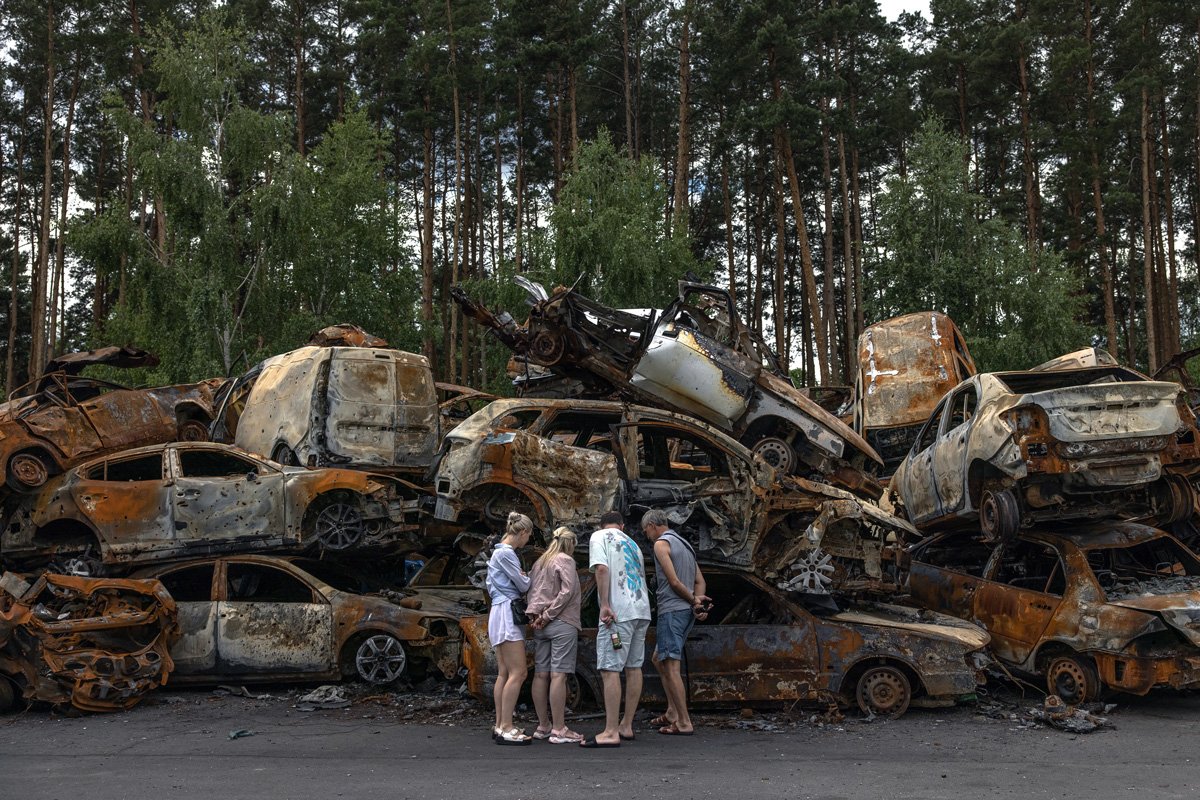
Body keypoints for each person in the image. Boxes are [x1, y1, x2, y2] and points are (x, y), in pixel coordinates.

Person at [581, 510, 651, 748]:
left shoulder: (599, 536)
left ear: (602, 525)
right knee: (633, 667)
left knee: (610, 669)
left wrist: (605, 605)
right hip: (641, 612)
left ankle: (610, 731)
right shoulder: (633, 544)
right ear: (621, 525)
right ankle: (626, 725)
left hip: (618, 613)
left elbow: (601, 569)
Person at [643, 509, 710, 736]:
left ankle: (683, 721)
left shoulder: (661, 544)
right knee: (657, 659)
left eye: (646, 531)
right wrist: (697, 604)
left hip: (672, 610)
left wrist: (693, 600)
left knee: (671, 667)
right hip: (685, 611)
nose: (647, 536)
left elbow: (673, 581)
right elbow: (700, 581)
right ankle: (672, 711)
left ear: (653, 525)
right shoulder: (685, 545)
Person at [526, 527, 584, 744]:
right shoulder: (565, 560)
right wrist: (549, 615)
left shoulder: (540, 562)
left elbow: (530, 591)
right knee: (559, 675)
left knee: (541, 674)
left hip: (540, 625)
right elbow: (567, 591)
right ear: (570, 544)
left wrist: (537, 617)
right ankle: (559, 729)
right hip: (561, 622)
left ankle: (543, 726)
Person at [486, 512, 534, 745]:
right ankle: (506, 726)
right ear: (522, 533)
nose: (527, 542)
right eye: (528, 536)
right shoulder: (506, 554)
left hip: (498, 612)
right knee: (519, 672)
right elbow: (524, 583)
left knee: (504, 673)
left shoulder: (497, 553)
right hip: (507, 613)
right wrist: (527, 576)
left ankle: (499, 724)